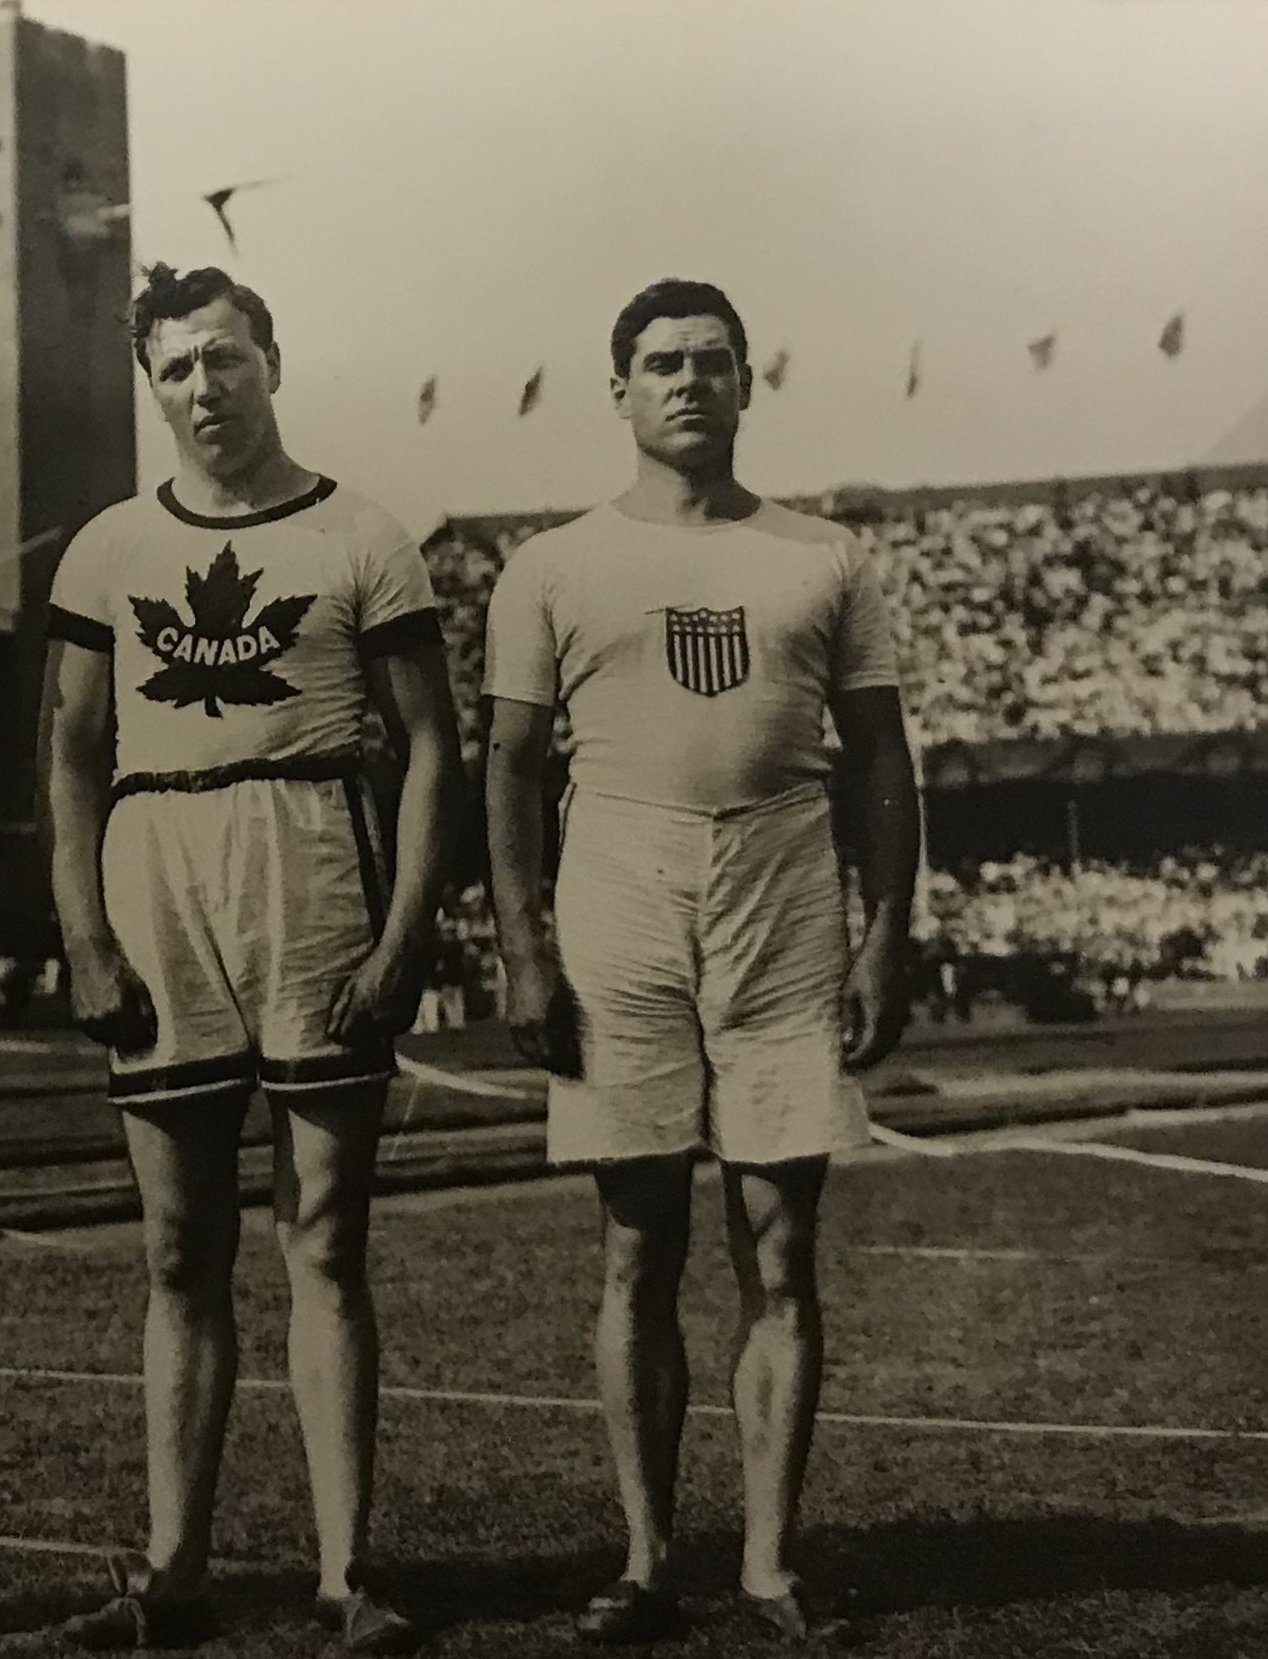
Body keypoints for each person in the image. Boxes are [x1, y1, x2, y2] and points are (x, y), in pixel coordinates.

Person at [482, 279, 918, 1645]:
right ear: (617, 388)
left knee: (782, 1241)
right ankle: (644, 1554)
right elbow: (506, 760)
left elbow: (883, 756)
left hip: (784, 873)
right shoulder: (550, 565)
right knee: (637, 1239)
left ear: (747, 385)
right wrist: (521, 944)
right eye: (661, 362)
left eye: (713, 362)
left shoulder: (823, 557)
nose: (688, 383)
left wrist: (886, 926)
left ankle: (772, 1560)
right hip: (617, 872)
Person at [38, 264, 461, 1654]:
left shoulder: (363, 532)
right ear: (151, 386)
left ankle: (347, 1574)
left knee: (325, 1234)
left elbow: (432, 749)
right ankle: (174, 1576)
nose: (204, 390)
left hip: (313, 855)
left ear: (272, 358)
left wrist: (404, 930)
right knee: (178, 1245)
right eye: (175, 369)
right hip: (160, 870)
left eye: (225, 359)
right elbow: (71, 756)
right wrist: (85, 931)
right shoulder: (105, 546)